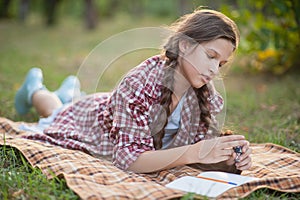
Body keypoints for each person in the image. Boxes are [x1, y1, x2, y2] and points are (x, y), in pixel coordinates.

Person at [14, 8, 252, 174]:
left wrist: (229, 157)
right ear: (185, 44)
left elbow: (199, 147)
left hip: (114, 109)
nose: (213, 70)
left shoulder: (206, 95)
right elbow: (130, 161)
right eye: (210, 56)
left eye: (220, 64)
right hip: (92, 122)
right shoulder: (139, 83)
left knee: (67, 103)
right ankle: (35, 88)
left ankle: (70, 90)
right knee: (56, 113)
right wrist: (193, 153)